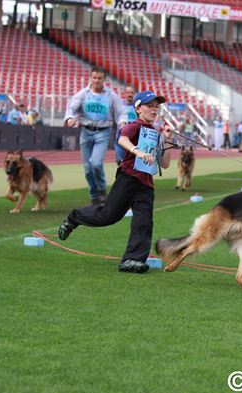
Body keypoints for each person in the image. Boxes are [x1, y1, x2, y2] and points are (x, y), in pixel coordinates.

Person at [58, 90, 173, 273]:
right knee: (108, 216)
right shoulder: (135, 125)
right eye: (149, 106)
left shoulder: (154, 132)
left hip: (146, 184)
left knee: (143, 221)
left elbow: (165, 164)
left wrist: (167, 140)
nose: (154, 109)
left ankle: (132, 260)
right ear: (138, 108)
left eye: (156, 106)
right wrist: (138, 151)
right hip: (128, 178)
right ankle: (74, 218)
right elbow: (122, 139)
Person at [64, 66, 127, 205]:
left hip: (103, 132)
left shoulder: (111, 95)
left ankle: (101, 189)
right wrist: (70, 118)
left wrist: (122, 122)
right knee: (87, 168)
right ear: (90, 78)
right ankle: (94, 195)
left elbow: (121, 111)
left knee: (96, 163)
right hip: (86, 132)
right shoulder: (83, 94)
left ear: (104, 79)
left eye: (99, 78)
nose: (96, 80)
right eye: (94, 78)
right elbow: (71, 108)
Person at [116, 87, 137, 164]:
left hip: (134, 137)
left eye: (131, 93)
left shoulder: (137, 106)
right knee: (121, 161)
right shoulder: (119, 105)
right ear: (124, 93)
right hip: (121, 136)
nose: (130, 94)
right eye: (128, 92)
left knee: (133, 160)